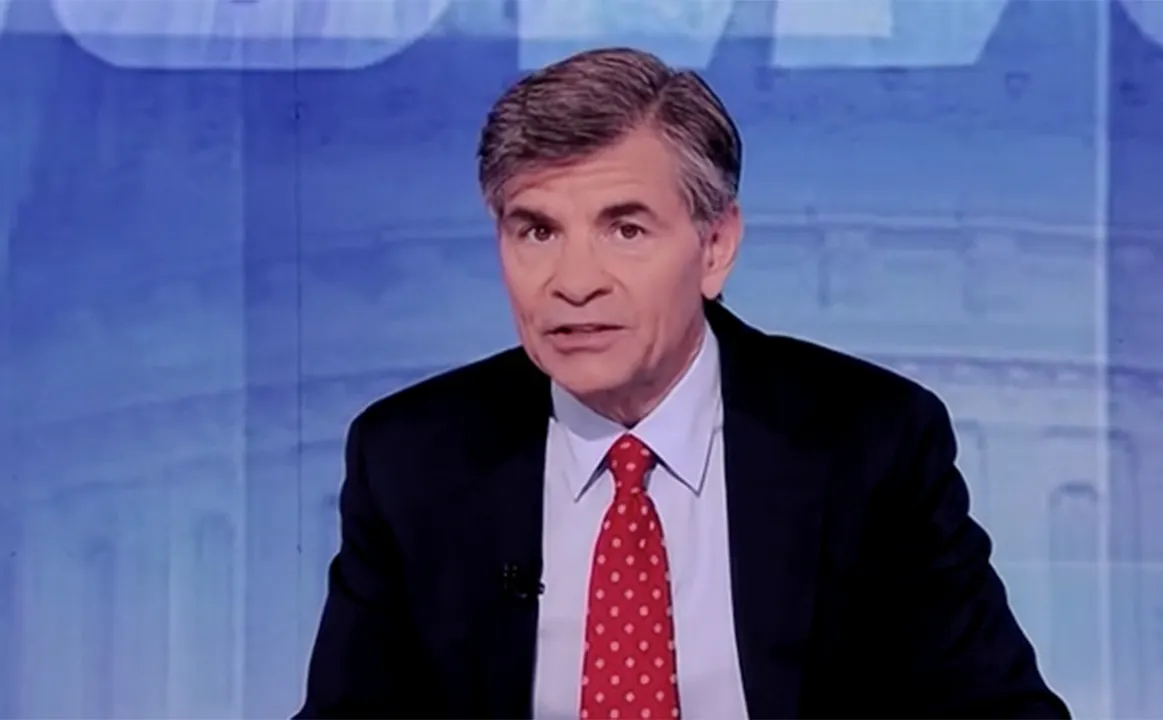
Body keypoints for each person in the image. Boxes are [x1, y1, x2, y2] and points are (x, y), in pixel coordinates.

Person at [296, 47, 1070, 720]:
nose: (573, 282)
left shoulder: (867, 443)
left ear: (715, 246)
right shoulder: (414, 461)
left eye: (625, 229)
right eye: (537, 230)